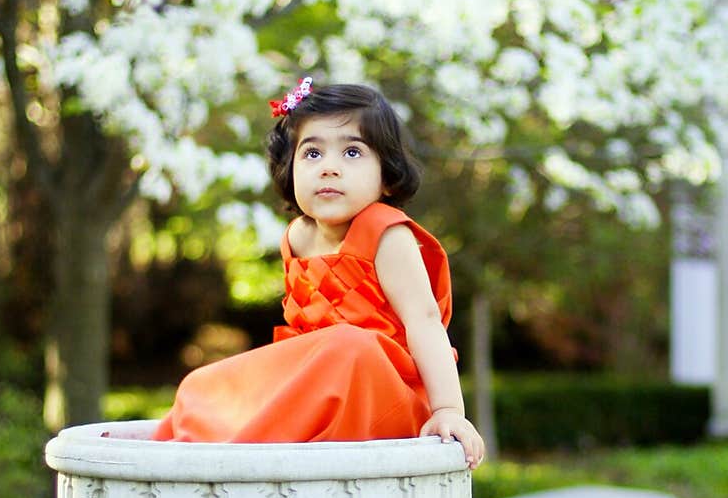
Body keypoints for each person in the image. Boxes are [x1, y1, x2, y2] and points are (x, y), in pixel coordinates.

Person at [152, 78, 485, 469]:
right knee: (207, 384)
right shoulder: (297, 236)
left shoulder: (386, 233)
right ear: (289, 168)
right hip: (321, 387)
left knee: (348, 345)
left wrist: (448, 410)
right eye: (312, 154)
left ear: (387, 174)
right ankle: (192, 445)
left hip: (382, 393)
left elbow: (426, 322)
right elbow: (300, 342)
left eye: (351, 152)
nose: (329, 168)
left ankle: (239, 455)